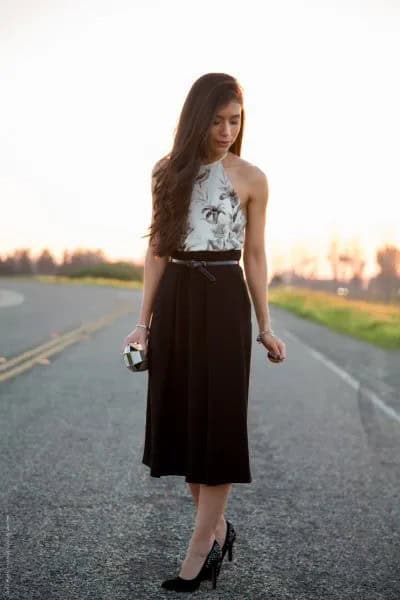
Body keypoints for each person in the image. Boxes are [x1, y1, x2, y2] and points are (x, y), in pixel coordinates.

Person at [121, 72, 286, 593]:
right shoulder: (167, 172)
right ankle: (217, 530)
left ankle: (198, 553)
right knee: (186, 427)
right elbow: (157, 252)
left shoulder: (252, 177)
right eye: (216, 120)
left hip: (223, 303)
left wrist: (265, 324)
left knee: (217, 425)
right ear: (196, 118)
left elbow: (256, 256)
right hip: (177, 301)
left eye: (234, 120)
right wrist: (142, 324)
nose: (226, 129)